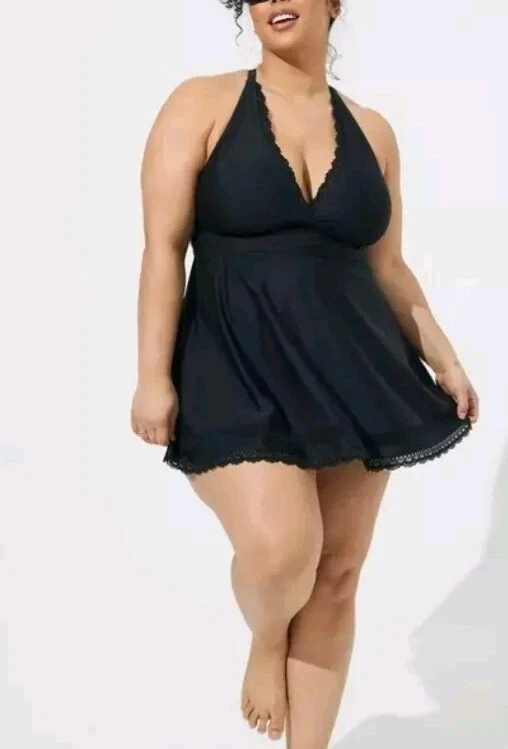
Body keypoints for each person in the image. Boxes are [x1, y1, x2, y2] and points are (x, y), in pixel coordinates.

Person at [130, 0, 479, 746]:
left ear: (333, 3)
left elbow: (387, 265)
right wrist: (152, 376)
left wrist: (444, 357)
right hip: (231, 361)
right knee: (283, 550)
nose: (273, 1)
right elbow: (163, 249)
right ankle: (266, 639)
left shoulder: (373, 132)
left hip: (355, 366)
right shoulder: (200, 105)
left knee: (338, 575)